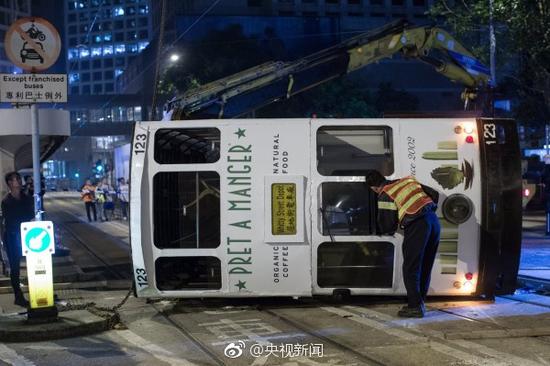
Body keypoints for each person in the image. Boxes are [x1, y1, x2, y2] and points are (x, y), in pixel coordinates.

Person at [365, 170, 440, 318]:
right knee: (425, 264)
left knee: (410, 267)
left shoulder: (385, 194)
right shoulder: (405, 181)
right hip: (434, 221)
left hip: (417, 226)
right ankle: (419, 301)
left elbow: (387, 225)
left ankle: (415, 307)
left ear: (373, 188)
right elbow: (434, 194)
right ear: (384, 178)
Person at [1, 172, 34, 307]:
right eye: (17, 180)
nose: (19, 182)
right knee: (15, 268)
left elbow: (31, 214)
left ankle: (38, 291)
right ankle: (18, 296)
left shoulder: (26, 198)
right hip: (13, 237)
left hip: (28, 236)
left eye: (19, 179)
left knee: (34, 264)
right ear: (10, 183)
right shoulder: (6, 201)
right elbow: (11, 220)